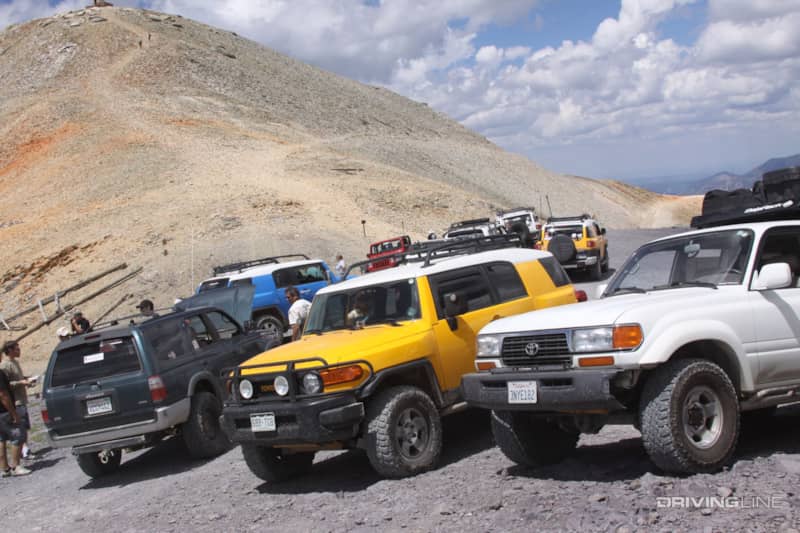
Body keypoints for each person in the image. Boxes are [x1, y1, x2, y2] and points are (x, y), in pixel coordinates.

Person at [1, 341, 36, 460]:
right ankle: (23, 452)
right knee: (20, 428)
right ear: (10, 350)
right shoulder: (5, 366)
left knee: (25, 426)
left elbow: (17, 378)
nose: (19, 351)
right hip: (15, 401)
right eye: (17, 349)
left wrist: (27, 379)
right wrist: (21, 383)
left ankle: (24, 450)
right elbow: (6, 385)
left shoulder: (15, 362)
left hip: (22, 398)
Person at [0, 347, 30, 476]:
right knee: (17, 435)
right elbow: (3, 395)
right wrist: (13, 413)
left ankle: (4, 469)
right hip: (4, 411)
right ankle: (16, 466)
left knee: (1, 439)